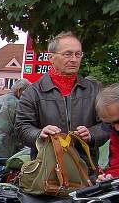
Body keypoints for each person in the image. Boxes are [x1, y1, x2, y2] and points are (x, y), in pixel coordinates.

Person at [15, 31, 108, 161]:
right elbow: (21, 128)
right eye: (68, 54)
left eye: (78, 54)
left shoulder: (94, 90)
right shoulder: (33, 92)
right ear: (51, 57)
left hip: (86, 171)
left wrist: (92, 134)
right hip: (47, 171)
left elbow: (107, 125)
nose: (74, 59)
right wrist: (39, 134)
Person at [0, 79, 30, 175]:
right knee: (2, 180)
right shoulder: (20, 104)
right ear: (19, 90)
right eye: (26, 92)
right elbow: (20, 128)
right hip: (7, 149)